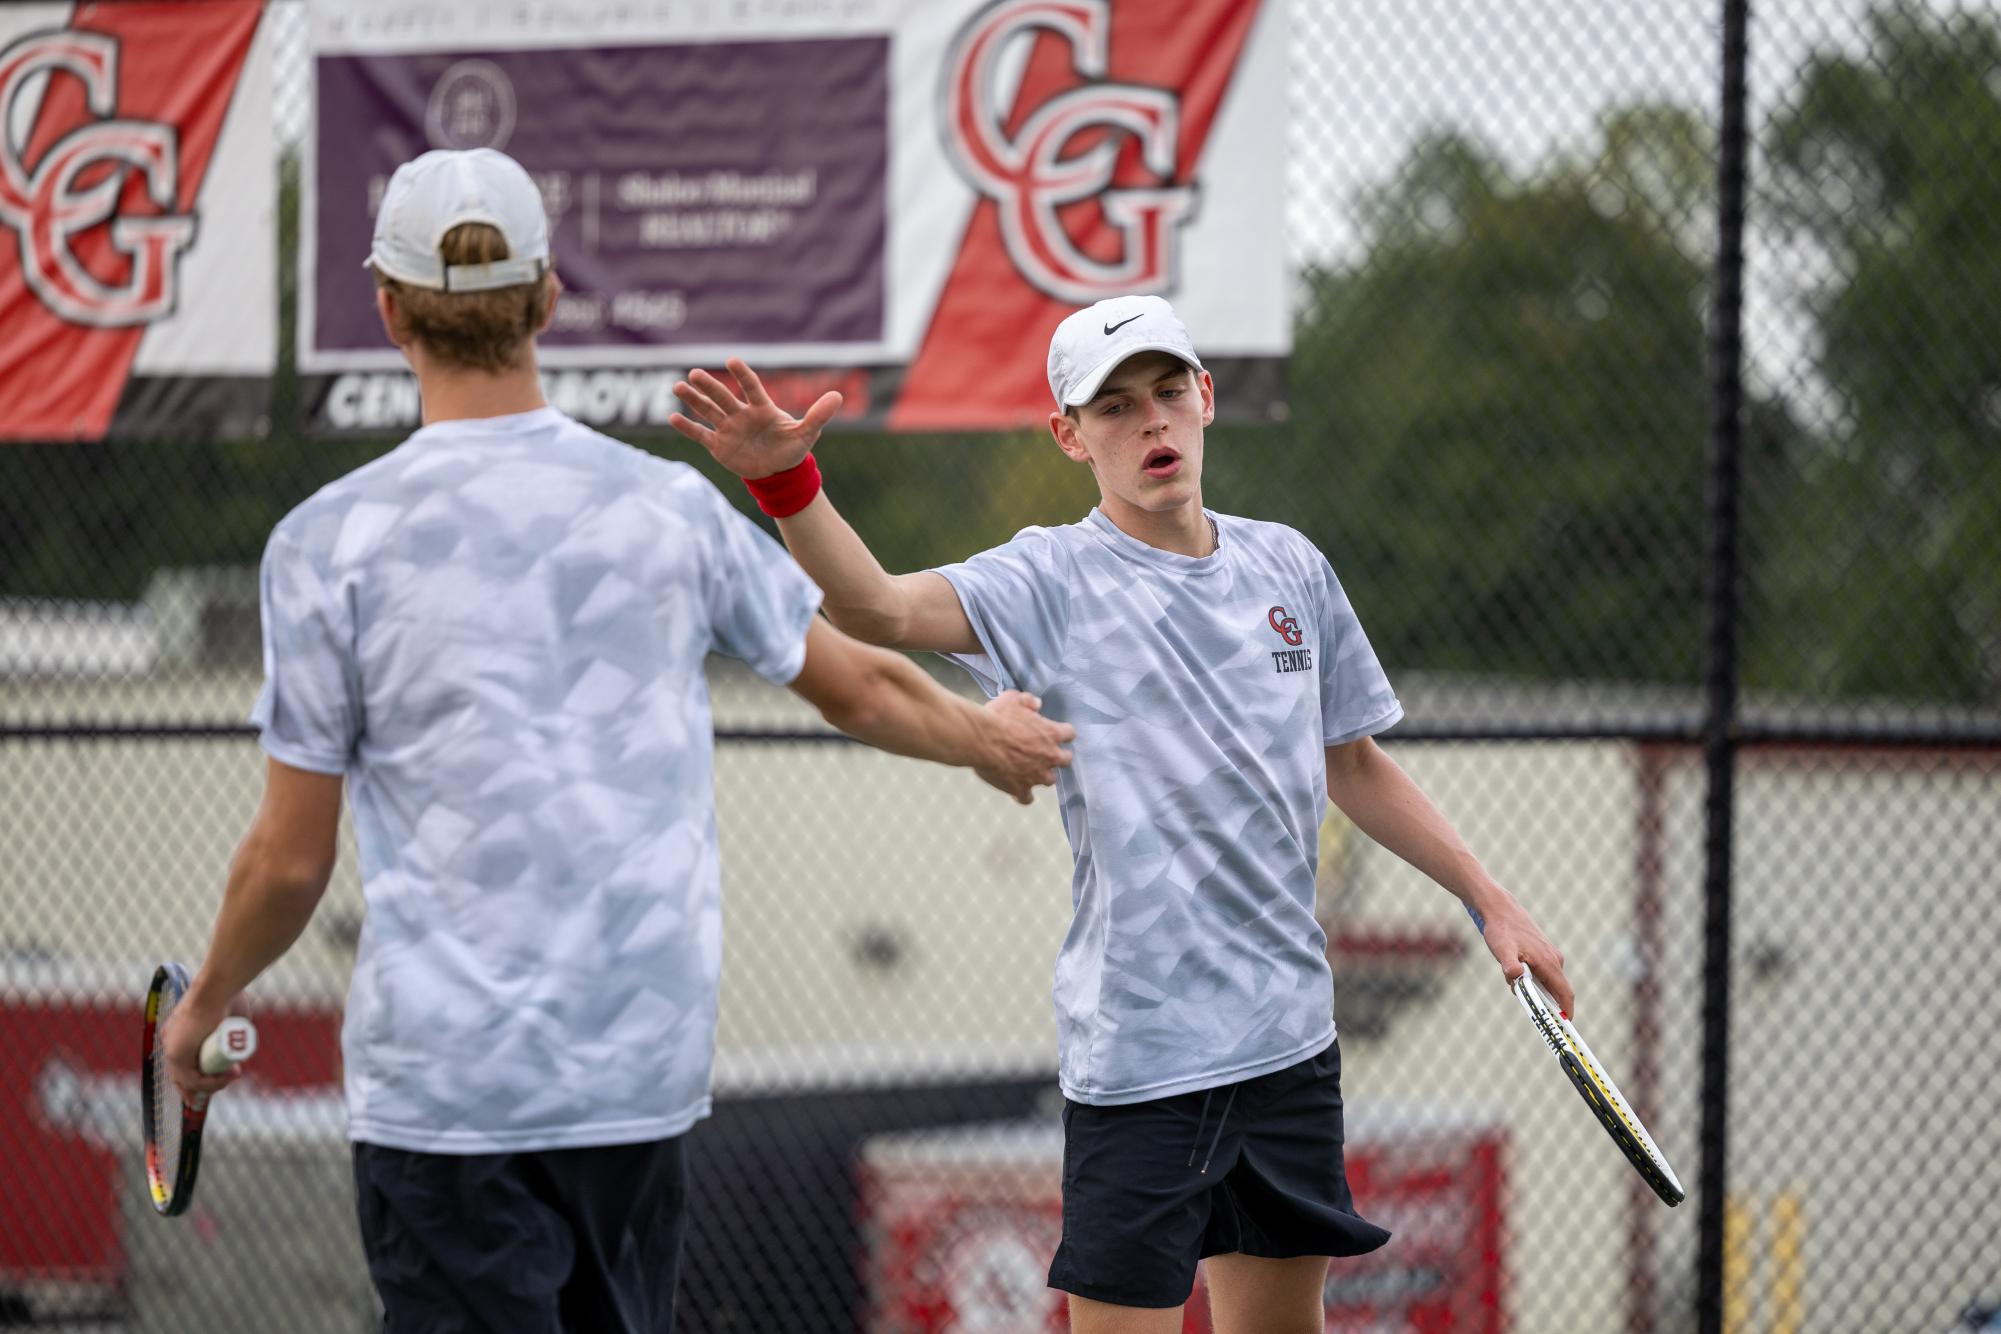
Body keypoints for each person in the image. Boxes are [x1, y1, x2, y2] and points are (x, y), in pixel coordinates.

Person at [161, 147, 1074, 1334]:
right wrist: (984, 738)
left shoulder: (326, 542)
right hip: (636, 1083)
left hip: (452, 1099)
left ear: (387, 310)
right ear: (548, 301)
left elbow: (290, 863)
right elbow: (858, 685)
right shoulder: (668, 507)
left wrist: (202, 1008)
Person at [667, 294, 1577, 1334]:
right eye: (1114, 406)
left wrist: (1490, 900)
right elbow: (872, 604)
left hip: (1289, 1053)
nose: (1150, 423)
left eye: (1165, 392)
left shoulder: (1291, 567)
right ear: (1070, 434)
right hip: (1142, 1066)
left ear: (1205, 398)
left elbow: (1356, 763)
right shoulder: (1051, 577)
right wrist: (786, 479)